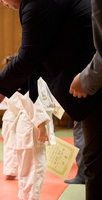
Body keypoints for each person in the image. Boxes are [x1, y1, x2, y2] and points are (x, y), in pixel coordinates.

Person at [0, 1, 101, 199]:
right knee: (93, 160)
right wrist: (4, 90)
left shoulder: (37, 4)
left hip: (95, 83)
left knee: (94, 162)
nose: (1, 3)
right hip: (87, 86)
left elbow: (29, 60)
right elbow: (36, 61)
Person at [68, 0, 102, 197]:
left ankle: (81, 174)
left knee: (94, 158)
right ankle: (81, 173)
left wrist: (86, 77)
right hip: (88, 89)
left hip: (92, 89)